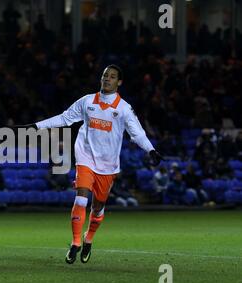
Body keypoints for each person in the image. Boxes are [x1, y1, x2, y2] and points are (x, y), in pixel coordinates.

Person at [17, 65, 163, 264]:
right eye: (105, 75)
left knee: (98, 206)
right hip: (85, 157)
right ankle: (75, 242)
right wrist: (37, 126)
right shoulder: (87, 101)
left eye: (112, 77)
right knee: (81, 197)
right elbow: (65, 118)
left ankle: (88, 238)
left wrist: (151, 150)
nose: (107, 79)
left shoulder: (124, 109)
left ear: (119, 82)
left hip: (108, 165)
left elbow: (137, 133)